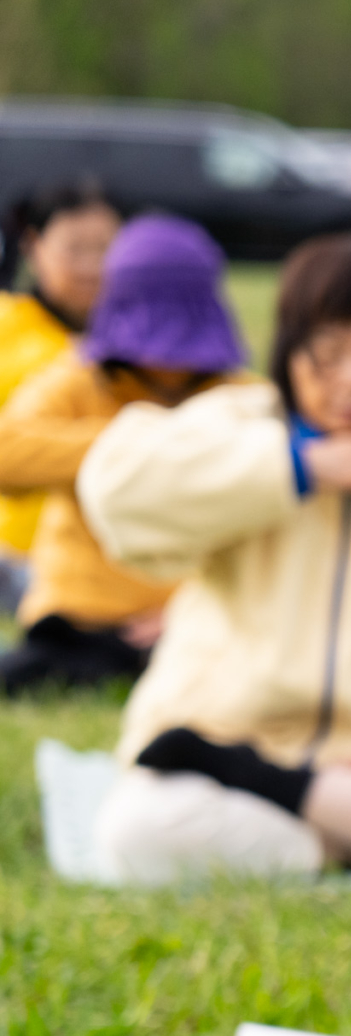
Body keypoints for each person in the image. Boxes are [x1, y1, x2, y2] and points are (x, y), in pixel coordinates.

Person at [74, 234, 351, 883]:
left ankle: (308, 827)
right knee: (139, 829)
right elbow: (113, 490)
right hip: (223, 753)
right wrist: (294, 467)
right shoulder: (239, 423)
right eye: (328, 356)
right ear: (290, 353)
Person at [0, 215, 250, 697]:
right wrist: (139, 446)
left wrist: (188, 608)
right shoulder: (79, 379)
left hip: (199, 615)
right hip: (80, 613)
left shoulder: (239, 395)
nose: (168, 364)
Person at [2, 182, 122, 612]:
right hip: (19, 555)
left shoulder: (146, 348)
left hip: (119, 550)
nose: (93, 266)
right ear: (33, 246)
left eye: (106, 248)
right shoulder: (8, 328)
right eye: (75, 250)